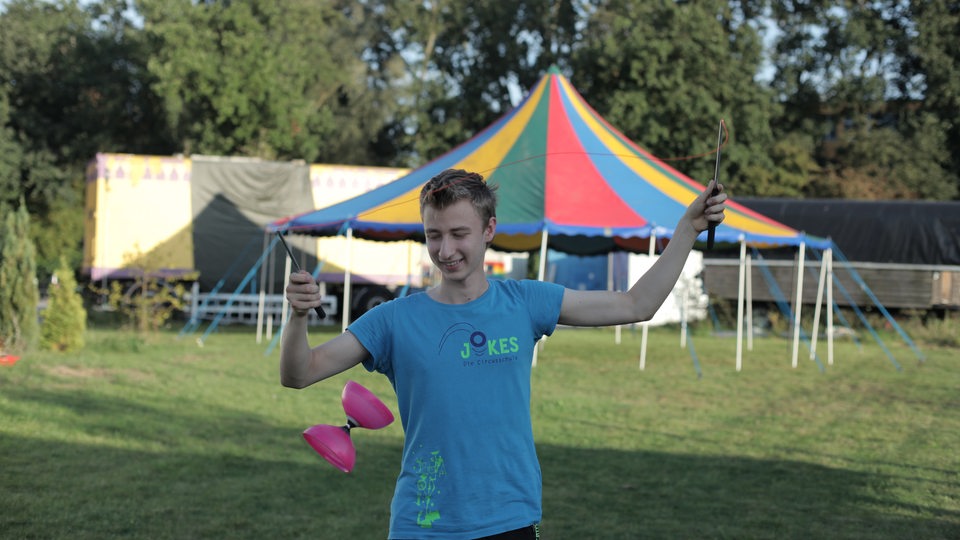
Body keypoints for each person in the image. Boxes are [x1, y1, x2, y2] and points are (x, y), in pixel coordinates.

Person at [281, 168, 727, 539]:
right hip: (425, 522)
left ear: (489, 229)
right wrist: (298, 315)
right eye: (433, 235)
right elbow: (300, 373)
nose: (445, 249)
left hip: (508, 518)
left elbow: (636, 304)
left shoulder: (524, 302)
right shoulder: (393, 320)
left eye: (459, 234)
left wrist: (687, 227)